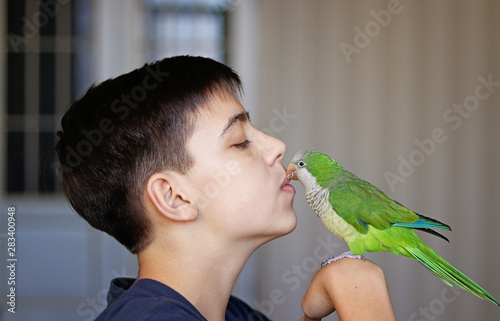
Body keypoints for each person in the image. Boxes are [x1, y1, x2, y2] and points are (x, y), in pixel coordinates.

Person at [55, 56, 395, 321]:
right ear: (174, 197)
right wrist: (362, 296)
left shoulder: (234, 314)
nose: (277, 145)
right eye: (240, 141)